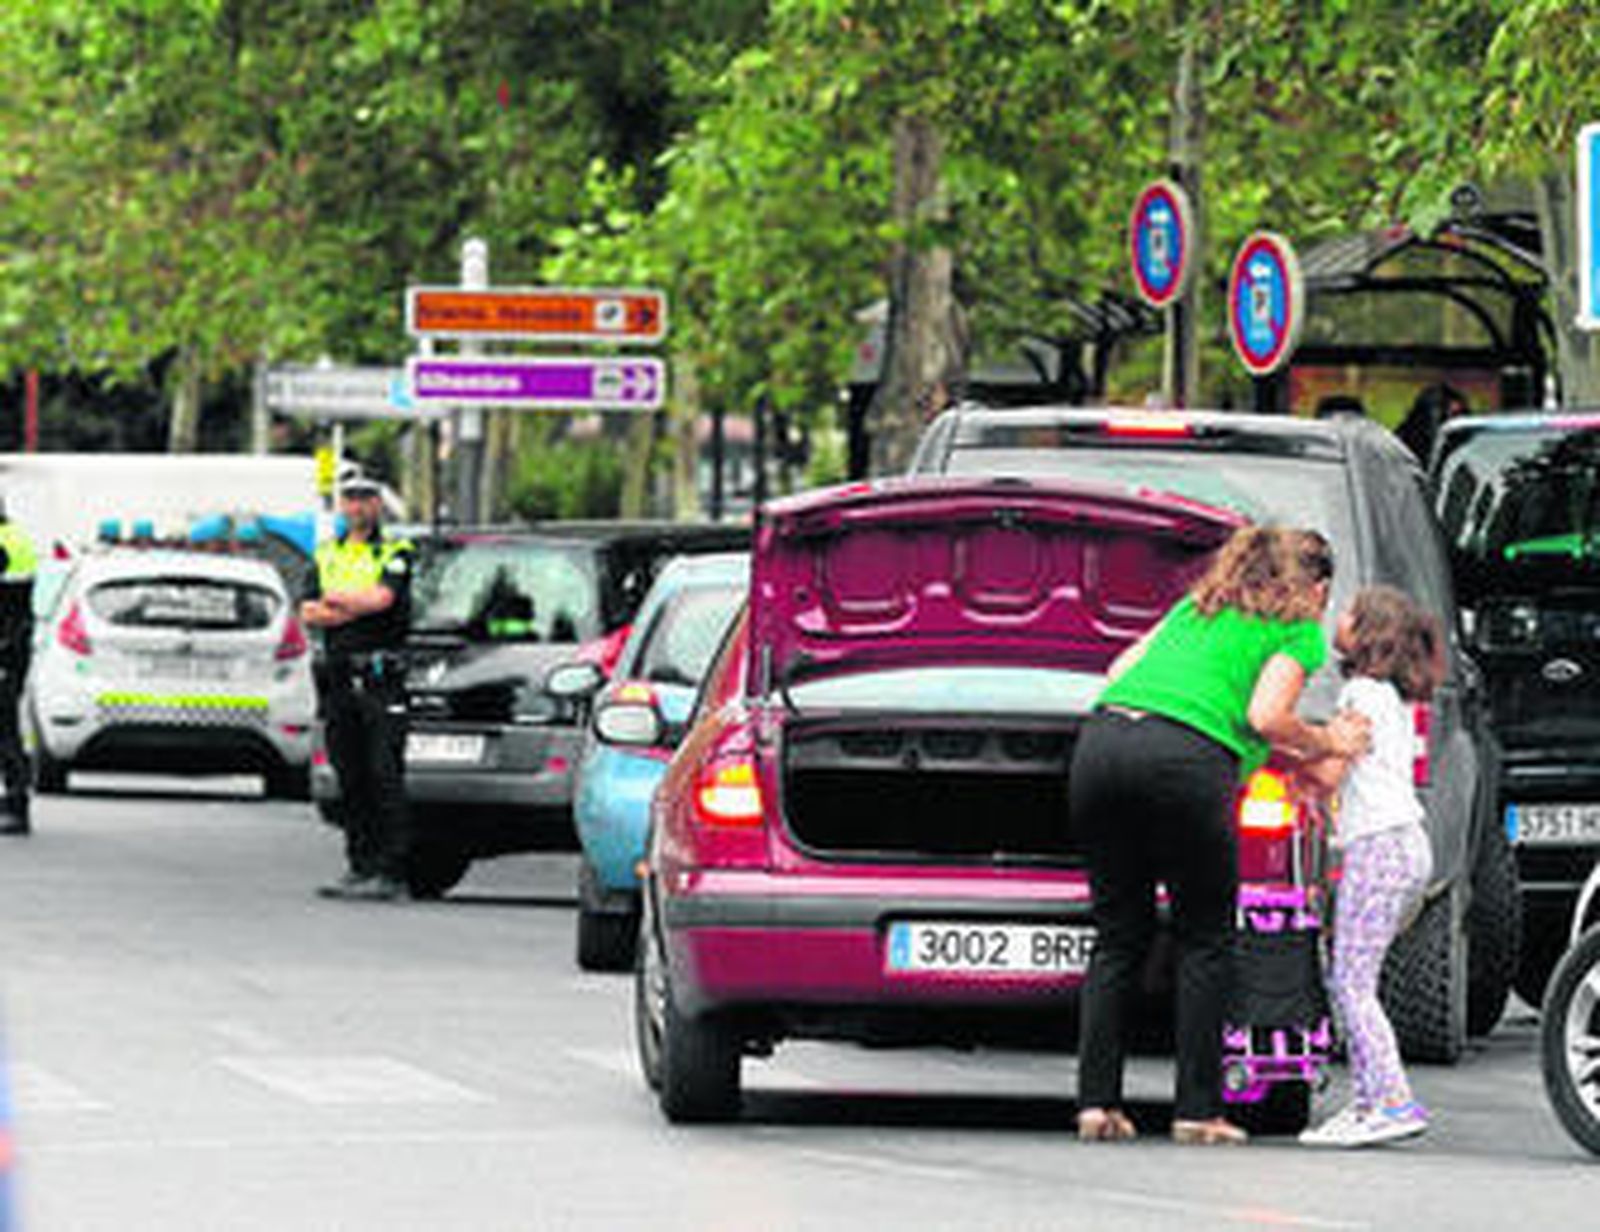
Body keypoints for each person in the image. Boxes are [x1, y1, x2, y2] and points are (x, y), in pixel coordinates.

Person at [1069, 526, 1371, 1146]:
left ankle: (1097, 1105)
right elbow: (1264, 716)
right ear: (1314, 590)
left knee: (1118, 937)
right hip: (1183, 764)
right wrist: (1329, 740)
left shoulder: (1195, 608)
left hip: (1100, 747)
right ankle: (1197, 1110)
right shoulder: (1295, 632)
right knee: (1205, 939)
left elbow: (1119, 670)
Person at [1297, 586, 1444, 1148]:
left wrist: (1289, 763)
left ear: (1369, 633)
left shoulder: (1360, 691)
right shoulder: (1393, 697)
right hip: (1406, 841)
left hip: (1378, 845)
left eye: (1351, 614)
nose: (1340, 618)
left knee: (1353, 983)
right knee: (1356, 976)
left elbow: (1332, 773)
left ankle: (1390, 1100)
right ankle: (1366, 1103)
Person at [302, 479, 417, 901]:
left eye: (366, 500)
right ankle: (360, 865)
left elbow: (383, 599)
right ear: (341, 506)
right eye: (349, 500)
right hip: (336, 676)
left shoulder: (395, 551)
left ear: (377, 505)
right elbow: (309, 610)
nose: (357, 507)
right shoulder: (327, 553)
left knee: (384, 772)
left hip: (380, 676)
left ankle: (393, 870)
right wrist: (350, 605)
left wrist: (338, 603)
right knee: (349, 773)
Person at [0, 500, 36, 836]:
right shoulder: (13, 537)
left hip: (5, 649)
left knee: (5, 727)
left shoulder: (7, 542)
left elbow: (11, 608)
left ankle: (15, 802)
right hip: (11, 646)